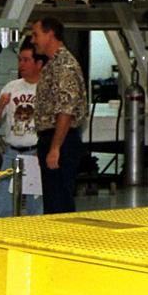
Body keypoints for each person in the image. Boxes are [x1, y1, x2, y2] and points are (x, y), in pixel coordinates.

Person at [30, 17, 87, 214]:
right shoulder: (52, 66)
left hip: (62, 139)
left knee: (59, 203)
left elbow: (66, 110)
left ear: (50, 34)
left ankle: (64, 241)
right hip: (53, 138)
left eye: (36, 34)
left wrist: (55, 147)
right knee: (52, 201)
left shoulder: (64, 66)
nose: (32, 40)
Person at [0, 39, 46, 216]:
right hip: (12, 153)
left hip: (35, 152)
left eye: (26, 60)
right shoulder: (12, 87)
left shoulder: (46, 89)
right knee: (4, 204)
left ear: (39, 63)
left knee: (36, 206)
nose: (21, 64)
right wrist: (0, 105)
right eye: (20, 60)